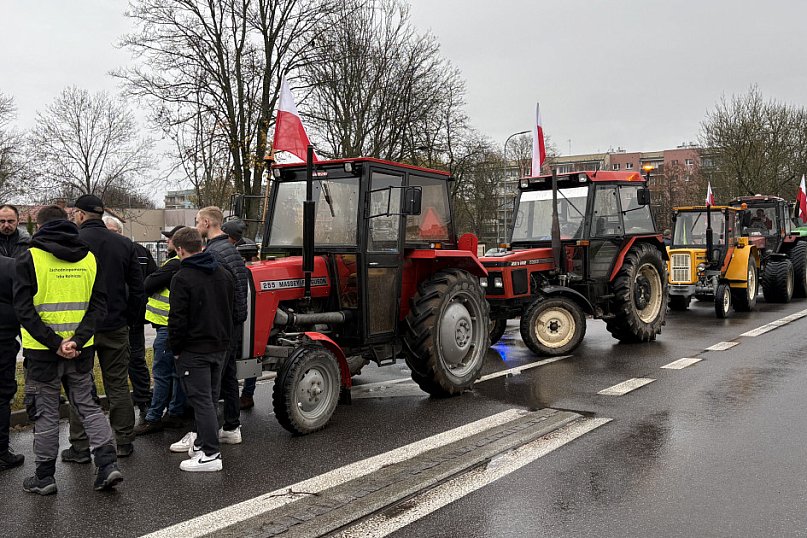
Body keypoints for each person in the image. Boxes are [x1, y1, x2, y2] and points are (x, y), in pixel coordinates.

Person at [14, 205, 122, 494]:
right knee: (88, 406)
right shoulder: (88, 258)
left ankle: (45, 477)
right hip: (81, 349)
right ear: (68, 223)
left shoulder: (30, 257)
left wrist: (54, 343)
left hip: (42, 352)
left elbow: (24, 310)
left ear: (38, 225)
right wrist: (76, 339)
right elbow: (100, 305)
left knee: (46, 413)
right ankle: (108, 464)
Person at [62, 195, 144, 462]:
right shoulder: (124, 244)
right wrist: (130, 319)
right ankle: (123, 440)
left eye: (75, 213)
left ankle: (80, 445)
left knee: (81, 385)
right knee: (118, 384)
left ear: (82, 215)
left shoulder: (72, 242)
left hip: (81, 327)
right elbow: (137, 288)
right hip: (115, 323)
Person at [167, 227, 234, 472]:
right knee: (211, 398)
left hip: (194, 349)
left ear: (180, 249)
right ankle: (204, 444)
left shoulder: (182, 278)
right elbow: (232, 309)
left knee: (202, 401)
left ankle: (210, 454)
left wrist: (175, 348)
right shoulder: (223, 273)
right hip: (220, 346)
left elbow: (177, 319)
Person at [195, 207, 248, 445]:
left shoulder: (214, 253)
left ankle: (206, 440)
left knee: (213, 379)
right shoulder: (231, 249)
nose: (196, 226)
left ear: (207, 222)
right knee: (228, 376)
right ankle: (232, 426)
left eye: (197, 222)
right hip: (234, 321)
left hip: (222, 324)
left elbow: (216, 294)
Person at [103, 215, 157, 421]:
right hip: (109, 319)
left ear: (121, 232)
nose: (111, 237)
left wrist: (138, 309)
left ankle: (144, 401)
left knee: (136, 360)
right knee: (114, 366)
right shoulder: (99, 252)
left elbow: (151, 278)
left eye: (114, 232)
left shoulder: (139, 252)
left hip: (132, 318)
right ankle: (119, 406)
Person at [135, 225, 187, 435]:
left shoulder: (174, 264)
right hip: (175, 326)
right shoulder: (188, 263)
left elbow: (148, 283)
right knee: (177, 373)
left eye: (169, 239)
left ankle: (154, 417)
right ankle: (175, 413)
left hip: (167, 326)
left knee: (162, 373)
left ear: (179, 243)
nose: (166, 242)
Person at [222, 219, 256, 410]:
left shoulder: (242, 258)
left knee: (250, 353)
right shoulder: (233, 258)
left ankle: (246, 394)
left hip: (242, 319)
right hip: (239, 318)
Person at [0, 253, 23, 472]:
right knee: (1, 395)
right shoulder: (9, 267)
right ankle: (1, 453)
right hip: (3, 340)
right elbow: (21, 302)